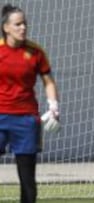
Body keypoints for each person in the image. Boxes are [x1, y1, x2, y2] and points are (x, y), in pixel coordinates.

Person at [0, 4, 59, 203]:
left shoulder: (36, 52)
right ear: (6, 27)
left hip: (26, 120)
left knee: (28, 181)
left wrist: (53, 106)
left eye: (24, 23)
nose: (23, 27)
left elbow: (48, 81)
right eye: (17, 24)